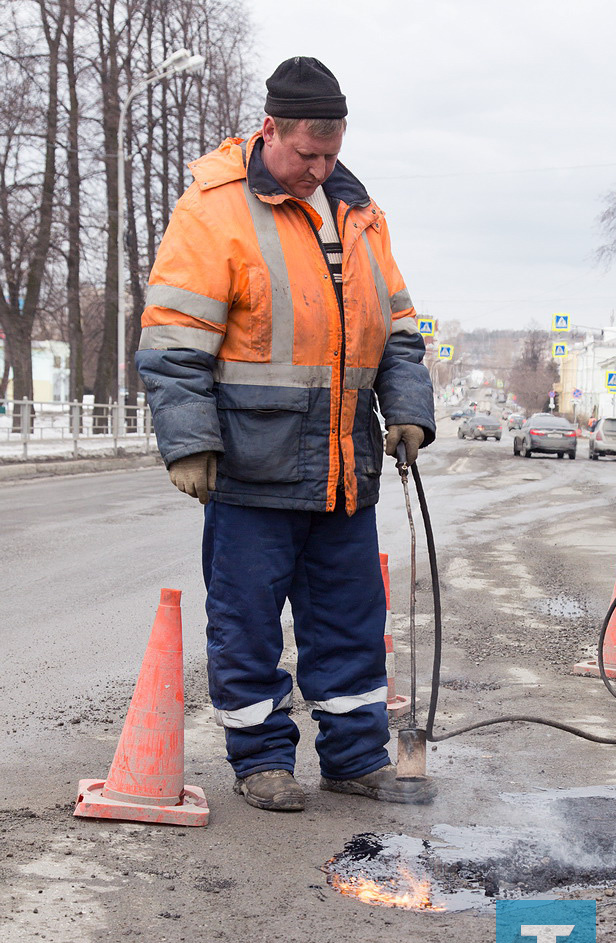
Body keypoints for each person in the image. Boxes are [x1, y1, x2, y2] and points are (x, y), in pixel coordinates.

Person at [136, 57, 436, 812]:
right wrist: (190, 442)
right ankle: (262, 758)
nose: (320, 167)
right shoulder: (214, 210)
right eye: (307, 153)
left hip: (344, 465)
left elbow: (397, 331)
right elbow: (175, 342)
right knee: (246, 623)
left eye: (331, 153)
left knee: (351, 621)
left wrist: (407, 410)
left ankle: (355, 757)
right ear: (271, 129)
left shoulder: (360, 212)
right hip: (250, 466)